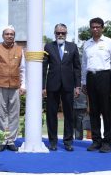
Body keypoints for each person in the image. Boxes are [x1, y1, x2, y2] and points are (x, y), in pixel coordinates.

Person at [42, 23, 81, 152]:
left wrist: (77, 86)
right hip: (52, 85)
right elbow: (43, 68)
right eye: (58, 33)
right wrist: (43, 86)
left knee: (69, 114)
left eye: (63, 33)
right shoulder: (48, 46)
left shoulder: (73, 47)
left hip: (68, 85)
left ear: (66, 34)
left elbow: (77, 68)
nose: (60, 35)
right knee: (51, 114)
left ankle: (68, 141)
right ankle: (52, 141)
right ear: (54, 33)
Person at [81, 17, 111, 153]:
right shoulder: (86, 44)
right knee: (93, 111)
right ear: (90, 28)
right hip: (91, 77)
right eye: (93, 27)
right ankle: (96, 141)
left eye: (98, 27)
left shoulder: (110, 42)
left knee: (106, 111)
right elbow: (84, 63)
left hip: (104, 76)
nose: (95, 29)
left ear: (102, 28)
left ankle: (107, 142)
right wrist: (83, 81)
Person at [0, 25, 26, 152]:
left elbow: (23, 69)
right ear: (3, 36)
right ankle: (1, 140)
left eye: (11, 34)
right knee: (0, 114)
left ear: (14, 36)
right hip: (0, 85)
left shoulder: (19, 49)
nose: (9, 36)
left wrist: (23, 85)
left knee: (14, 114)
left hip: (15, 86)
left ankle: (10, 140)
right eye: (7, 34)